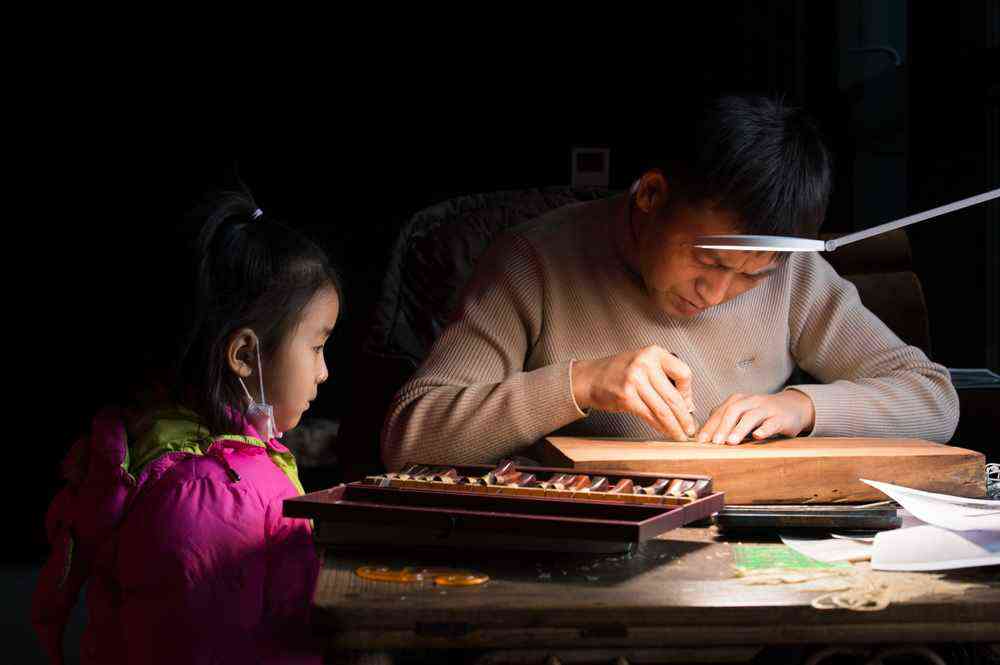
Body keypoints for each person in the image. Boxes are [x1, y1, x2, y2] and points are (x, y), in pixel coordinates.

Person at [381, 95, 958, 470]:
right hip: (589, 544)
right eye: (707, 262)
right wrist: (580, 384)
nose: (716, 294)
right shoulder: (531, 261)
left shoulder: (794, 274)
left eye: (750, 277)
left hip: (746, 543)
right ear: (652, 195)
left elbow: (933, 397)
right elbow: (411, 435)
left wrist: (801, 407)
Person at [33, 189, 341, 664]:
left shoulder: (213, 465)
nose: (324, 372)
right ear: (244, 355)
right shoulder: (213, 497)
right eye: (318, 347)